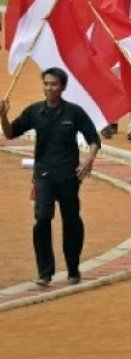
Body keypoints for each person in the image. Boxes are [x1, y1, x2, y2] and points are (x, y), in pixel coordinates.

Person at [0, 68, 99, 286]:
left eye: (54, 84)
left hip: (69, 176)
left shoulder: (74, 112)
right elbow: (10, 133)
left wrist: (89, 159)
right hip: (43, 175)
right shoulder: (35, 112)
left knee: (71, 221)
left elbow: (93, 138)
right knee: (42, 218)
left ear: (62, 87)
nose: (49, 88)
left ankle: (73, 268)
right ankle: (45, 272)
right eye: (46, 84)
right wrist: (3, 116)